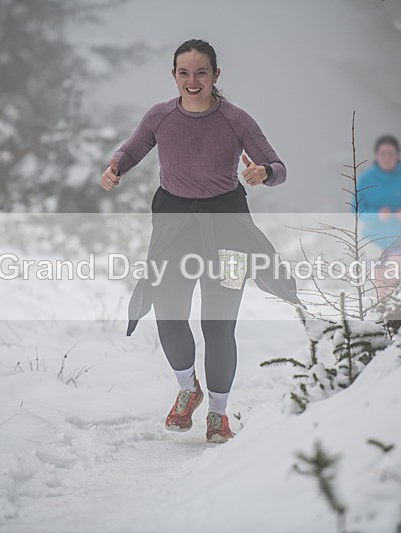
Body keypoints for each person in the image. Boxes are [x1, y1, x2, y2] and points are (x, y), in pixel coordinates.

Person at [101, 39, 300, 444]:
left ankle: (218, 414)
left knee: (218, 324)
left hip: (227, 229)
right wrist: (115, 167)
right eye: (184, 73)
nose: (193, 81)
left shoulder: (235, 120)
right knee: (169, 316)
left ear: (215, 76)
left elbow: (277, 166)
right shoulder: (160, 116)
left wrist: (264, 173)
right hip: (175, 229)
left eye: (201, 73)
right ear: (174, 75)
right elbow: (132, 149)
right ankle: (188, 388)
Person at [355, 135, 401, 302]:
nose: (387, 158)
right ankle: (383, 313)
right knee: (379, 284)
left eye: (391, 154)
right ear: (376, 156)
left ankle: (393, 313)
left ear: (397, 156)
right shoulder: (367, 178)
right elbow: (356, 208)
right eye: (383, 153)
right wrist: (376, 214)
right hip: (372, 239)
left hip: (400, 238)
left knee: (394, 279)